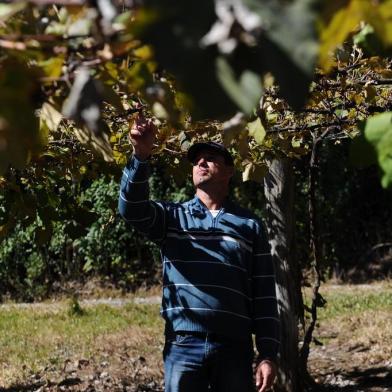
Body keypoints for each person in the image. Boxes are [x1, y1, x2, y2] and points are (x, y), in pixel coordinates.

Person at [118, 114, 280, 392]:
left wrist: (267, 354)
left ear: (230, 171)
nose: (200, 163)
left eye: (210, 158)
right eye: (196, 160)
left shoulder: (249, 225)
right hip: (183, 345)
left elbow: (264, 294)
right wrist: (140, 155)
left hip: (234, 347)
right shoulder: (172, 217)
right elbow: (131, 209)